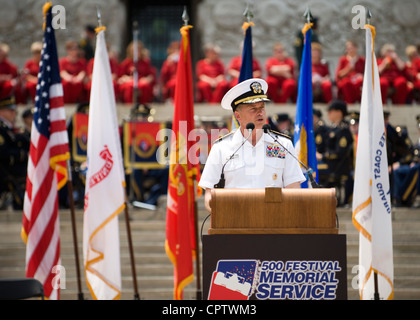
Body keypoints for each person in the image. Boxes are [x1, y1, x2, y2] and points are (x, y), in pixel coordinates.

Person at [198, 78, 305, 213]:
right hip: (233, 224)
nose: (260, 112)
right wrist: (219, 213)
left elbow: (294, 189)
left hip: (275, 223)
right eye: (253, 109)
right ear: (238, 116)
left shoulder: (283, 145)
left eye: (262, 108)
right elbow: (210, 193)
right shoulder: (221, 148)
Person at [318, 100, 353, 206]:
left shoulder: (344, 130)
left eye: (331, 111)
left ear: (339, 112)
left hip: (338, 166)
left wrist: (322, 156)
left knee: (313, 170)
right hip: (330, 163)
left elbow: (340, 153)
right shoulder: (333, 128)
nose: (328, 114)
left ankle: (320, 199)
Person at [0, 97, 28, 209]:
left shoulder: (10, 127)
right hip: (8, 170)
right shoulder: (2, 129)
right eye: (10, 111)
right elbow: (3, 152)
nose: (14, 113)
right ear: (1, 111)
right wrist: (24, 155)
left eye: (14, 111)